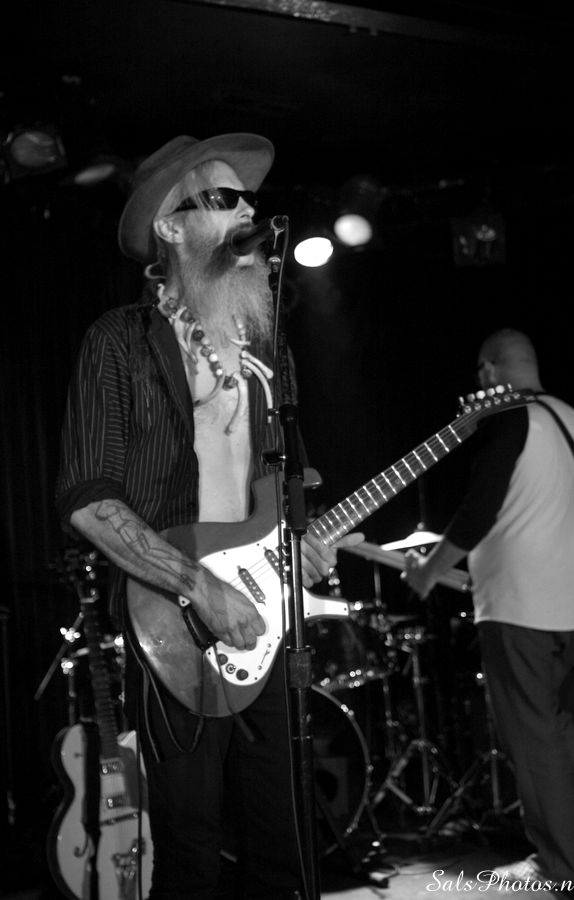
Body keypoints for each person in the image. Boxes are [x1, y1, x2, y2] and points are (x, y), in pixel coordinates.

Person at [55, 132, 363, 900]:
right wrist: (198, 585)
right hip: (175, 621)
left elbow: (286, 483)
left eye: (250, 198)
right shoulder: (119, 342)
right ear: (171, 225)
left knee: (284, 839)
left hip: (268, 622)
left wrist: (305, 539)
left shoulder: (268, 352)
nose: (248, 211)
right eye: (225, 199)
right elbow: (89, 498)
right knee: (189, 848)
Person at [404, 328, 574, 893]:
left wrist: (429, 571)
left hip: (518, 610)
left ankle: (560, 866)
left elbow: (479, 509)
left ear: (489, 371)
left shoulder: (511, 417)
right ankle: (567, 855)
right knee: (553, 729)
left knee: (531, 741)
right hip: (569, 611)